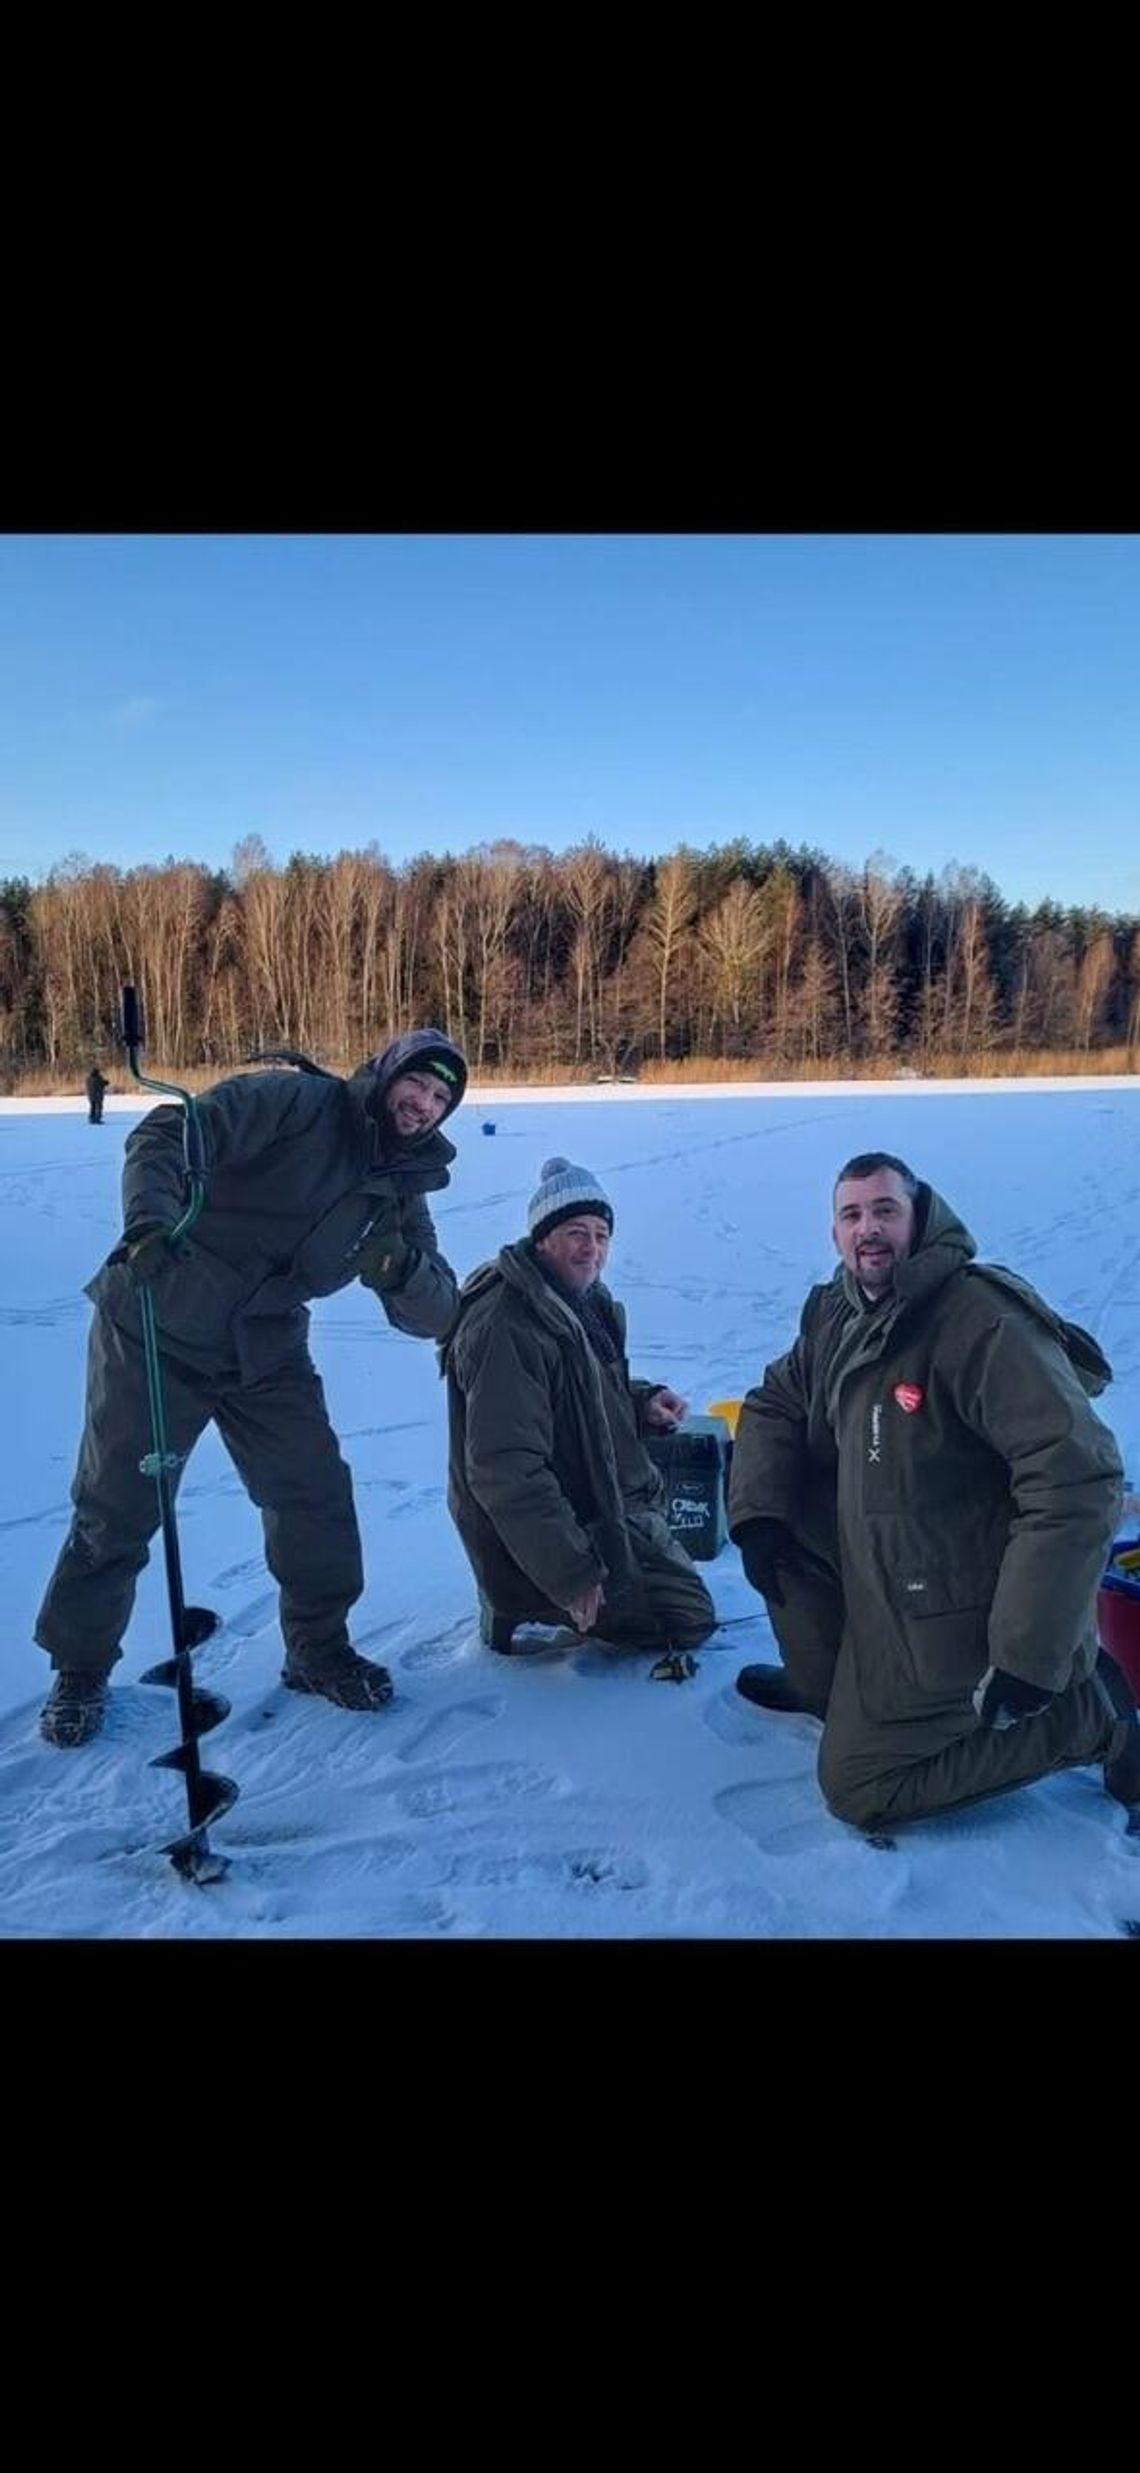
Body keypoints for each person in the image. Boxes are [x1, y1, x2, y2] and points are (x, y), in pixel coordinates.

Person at [35, 1028, 468, 1747]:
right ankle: (79, 1668)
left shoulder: (400, 1189)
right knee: (117, 1505)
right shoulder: (299, 1103)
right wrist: (151, 1221)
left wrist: (401, 1272)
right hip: (159, 1318)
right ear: (387, 1074)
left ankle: (317, 1648)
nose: (423, 1104)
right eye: (415, 1085)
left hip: (266, 1346)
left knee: (314, 1493)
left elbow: (440, 1311)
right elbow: (169, 1131)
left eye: (439, 1098)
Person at [727, 1150, 1140, 1833]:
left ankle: (1085, 1714)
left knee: (860, 1785)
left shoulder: (977, 1320)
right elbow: (775, 1400)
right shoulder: (838, 1311)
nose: (869, 1229)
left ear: (919, 1219)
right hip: (890, 1573)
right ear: (834, 1233)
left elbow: (1077, 1478)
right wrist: (756, 1516)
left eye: (885, 1210)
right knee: (786, 1498)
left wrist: (1028, 1653)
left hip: (957, 1604)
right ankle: (830, 1688)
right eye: (852, 1214)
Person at [443, 1155, 716, 1664]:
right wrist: (572, 1572)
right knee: (689, 1620)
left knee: (684, 1594)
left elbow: (583, 1391)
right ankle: (544, 1600)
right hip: (561, 1529)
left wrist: (642, 1400)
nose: (591, 1249)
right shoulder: (507, 1324)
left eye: (601, 1235)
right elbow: (505, 1468)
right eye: (575, 1232)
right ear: (542, 1237)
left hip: (603, 1500)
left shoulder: (580, 1301)